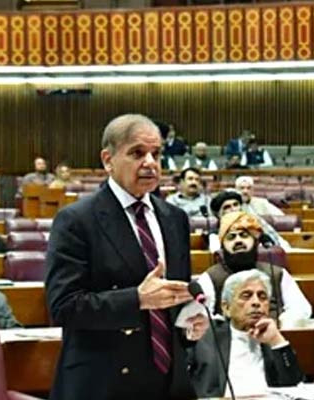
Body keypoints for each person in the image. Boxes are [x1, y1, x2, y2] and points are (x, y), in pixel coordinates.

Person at [45, 114, 207, 400]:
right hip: (102, 383)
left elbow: (173, 295)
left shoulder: (175, 218)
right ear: (108, 160)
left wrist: (189, 320)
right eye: (137, 153)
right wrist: (137, 299)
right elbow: (64, 306)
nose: (150, 163)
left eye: (156, 154)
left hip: (169, 382)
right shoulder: (77, 220)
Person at [188, 270, 304, 398]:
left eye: (262, 297)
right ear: (226, 308)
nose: (256, 302)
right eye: (246, 296)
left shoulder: (272, 338)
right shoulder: (205, 337)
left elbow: (295, 386)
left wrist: (276, 341)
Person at [197, 211, 312, 325]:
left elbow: (301, 309)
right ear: (223, 246)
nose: (238, 240)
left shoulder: (278, 273)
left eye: (244, 235)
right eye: (231, 237)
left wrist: (280, 323)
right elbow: (201, 314)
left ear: (256, 242)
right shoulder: (210, 277)